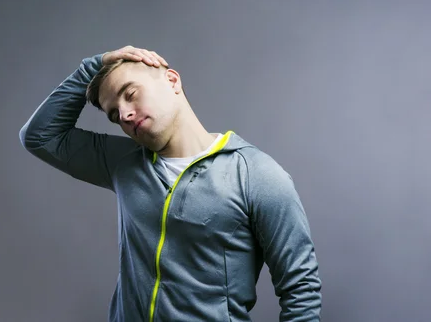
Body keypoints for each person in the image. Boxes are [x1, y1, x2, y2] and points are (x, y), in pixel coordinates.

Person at [19, 45, 322, 321]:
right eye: (114, 114)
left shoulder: (257, 175)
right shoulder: (123, 163)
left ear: (172, 81)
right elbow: (39, 136)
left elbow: (301, 290)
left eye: (131, 93)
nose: (124, 114)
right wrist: (92, 66)